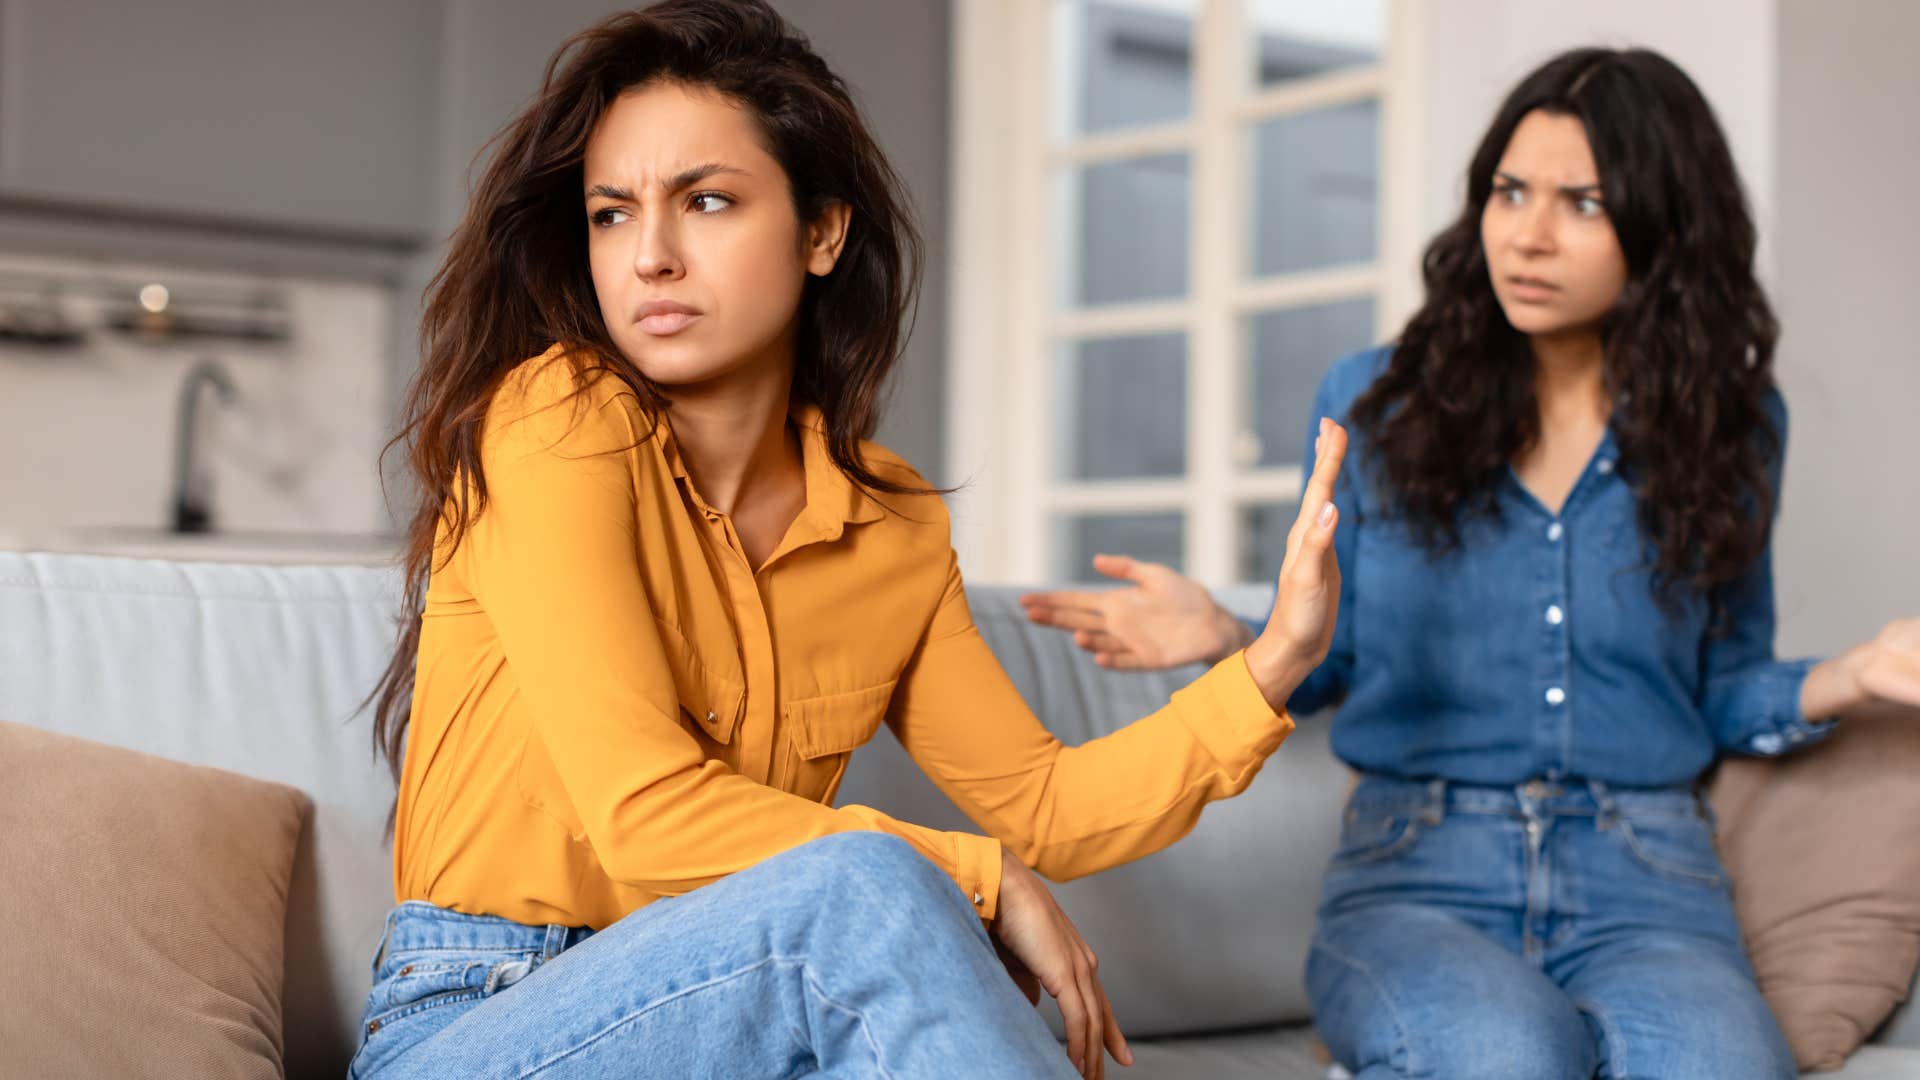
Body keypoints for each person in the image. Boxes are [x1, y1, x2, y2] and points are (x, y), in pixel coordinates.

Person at [349, 3, 1350, 1078]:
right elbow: (644, 813)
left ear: (821, 232)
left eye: (708, 201)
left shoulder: (891, 523)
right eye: (610, 214)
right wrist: (981, 878)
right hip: (483, 1016)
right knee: (867, 886)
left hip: (756, 1024)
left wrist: (1277, 657)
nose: (649, 257)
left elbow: (1048, 805)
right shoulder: (556, 419)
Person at [1022, 46, 1920, 1079]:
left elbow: (1717, 689)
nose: (1528, 236)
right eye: (1510, 192)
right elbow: (1337, 658)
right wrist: (1235, 635)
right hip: (1420, 873)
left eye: (1583, 203)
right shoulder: (1377, 402)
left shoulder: (1733, 425)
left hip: (1651, 879)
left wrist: (1854, 671)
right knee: (1506, 1056)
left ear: (1665, 226)